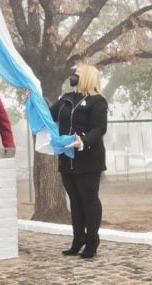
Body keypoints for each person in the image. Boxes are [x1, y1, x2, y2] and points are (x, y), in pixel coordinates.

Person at [50, 63, 108, 259]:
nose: (73, 76)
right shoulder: (66, 99)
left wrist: (83, 141)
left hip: (88, 159)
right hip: (67, 159)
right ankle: (78, 239)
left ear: (88, 77)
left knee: (89, 200)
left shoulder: (97, 101)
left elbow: (99, 129)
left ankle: (92, 240)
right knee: (75, 200)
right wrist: (33, 98)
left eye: (78, 73)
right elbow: (49, 115)